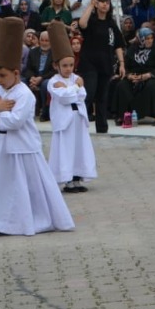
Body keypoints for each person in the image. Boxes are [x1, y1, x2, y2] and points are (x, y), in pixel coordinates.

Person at [0, 18, 76, 237]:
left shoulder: (23, 94)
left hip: (23, 148)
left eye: (2, 75)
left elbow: (15, 121)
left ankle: (32, 219)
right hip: (2, 147)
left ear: (16, 73)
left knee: (28, 189)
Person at [44, 24, 95, 192]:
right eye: (64, 65)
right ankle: (66, 179)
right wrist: (74, 88)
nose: (68, 69)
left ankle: (77, 178)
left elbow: (83, 95)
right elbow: (64, 98)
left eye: (71, 65)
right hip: (64, 121)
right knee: (66, 150)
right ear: (56, 66)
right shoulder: (53, 81)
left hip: (78, 118)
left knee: (78, 149)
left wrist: (72, 89)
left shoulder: (76, 78)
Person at [77, 0, 125, 134]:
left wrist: (121, 64)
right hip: (89, 63)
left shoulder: (111, 23)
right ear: (97, 4)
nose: (105, 4)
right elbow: (82, 24)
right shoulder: (91, 20)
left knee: (102, 98)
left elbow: (118, 45)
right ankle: (79, 124)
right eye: (102, 2)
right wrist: (91, 5)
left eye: (107, 2)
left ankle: (102, 128)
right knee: (89, 93)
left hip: (106, 64)